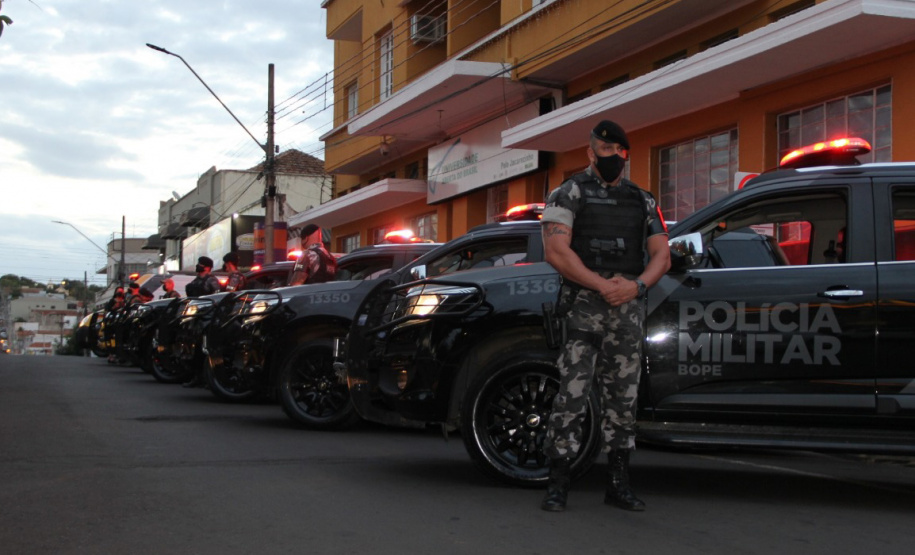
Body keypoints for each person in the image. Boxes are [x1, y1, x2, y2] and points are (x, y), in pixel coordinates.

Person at [539, 119, 671, 513]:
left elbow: (661, 254)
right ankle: (558, 482)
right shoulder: (568, 193)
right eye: (605, 150)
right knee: (572, 395)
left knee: (623, 399)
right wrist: (602, 285)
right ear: (590, 152)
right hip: (584, 304)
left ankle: (618, 483)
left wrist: (637, 287)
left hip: (627, 308)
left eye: (619, 152)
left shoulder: (642, 199)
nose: (612, 158)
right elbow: (557, 253)